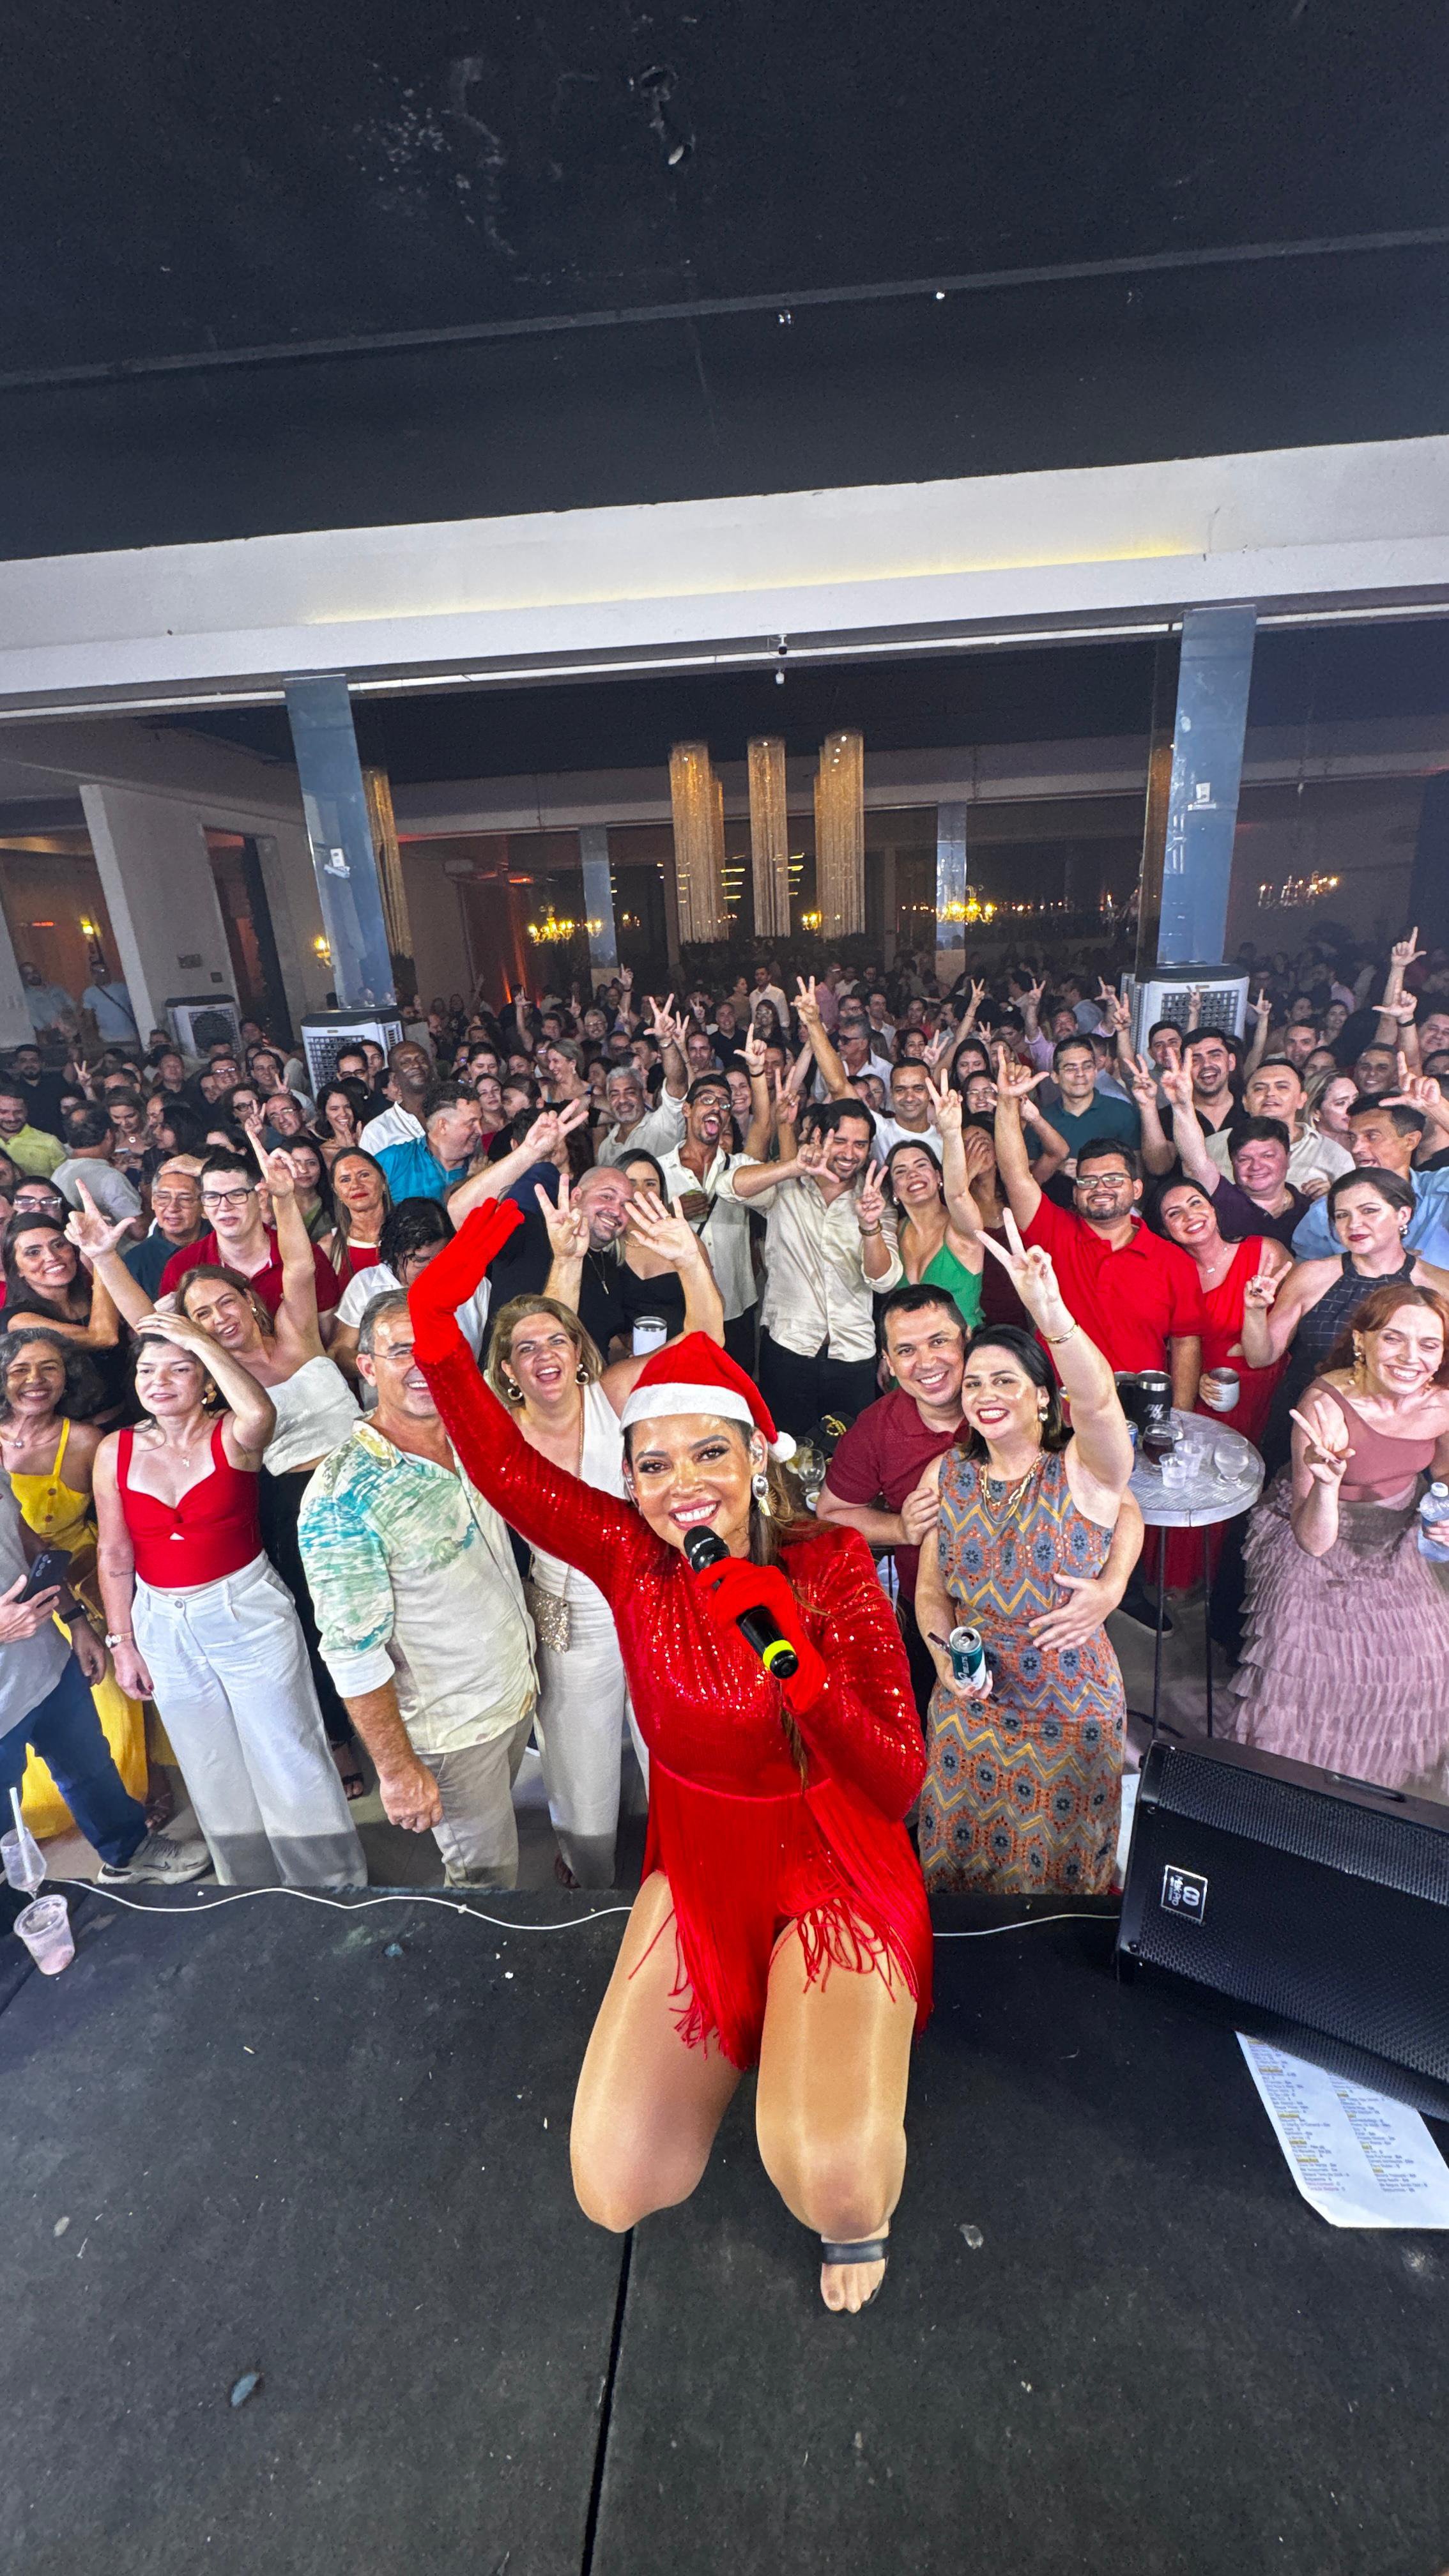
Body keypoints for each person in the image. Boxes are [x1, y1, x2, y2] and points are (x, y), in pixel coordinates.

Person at [407, 1201, 932, 2315]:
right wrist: (436, 1334)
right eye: (653, 1463)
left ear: (755, 1457)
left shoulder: (830, 1563)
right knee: (615, 2182)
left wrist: (797, 1665)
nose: (681, 1483)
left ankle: (848, 2170)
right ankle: (778, 2029)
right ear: (631, 1477)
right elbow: (502, 1467)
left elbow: (896, 1779)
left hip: (831, 1865)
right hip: (701, 1863)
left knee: (831, 2176)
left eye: (708, 1453)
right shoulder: (629, 1557)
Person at [75, 1151, 366, 1798]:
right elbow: (144, 1321)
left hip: (365, 1485)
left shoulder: (296, 1333)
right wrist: (104, 1257)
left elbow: (297, 1267)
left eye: (225, 1302)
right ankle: (340, 1740)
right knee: (320, 1628)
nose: (218, 1319)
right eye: (200, 1315)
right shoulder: (215, 1385)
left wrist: (282, 1197)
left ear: (248, 1299)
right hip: (291, 1510)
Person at [92, 1312, 364, 1887]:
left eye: (179, 1369)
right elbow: (114, 1553)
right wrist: (123, 1642)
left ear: (207, 1381)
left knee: (286, 1749)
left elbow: (262, 1413)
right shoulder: (115, 1450)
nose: (159, 1382)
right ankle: (247, 1886)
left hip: (246, 1610)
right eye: (147, 1370)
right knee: (207, 1760)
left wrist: (198, 1337)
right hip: (161, 1620)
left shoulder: (234, 1434)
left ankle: (331, 1885)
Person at [914, 1217, 1136, 1892]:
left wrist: (1051, 1313)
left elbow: (1099, 1401)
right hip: (971, 1709)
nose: (986, 1395)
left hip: (1069, 1714)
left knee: (1059, 1888)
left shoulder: (1085, 1471)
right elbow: (932, 1590)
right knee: (959, 1880)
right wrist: (944, 1660)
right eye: (975, 1383)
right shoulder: (949, 1475)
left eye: (1006, 1381)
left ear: (1043, 1396)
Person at [298, 1292, 537, 1888]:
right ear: (367, 1366)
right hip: (453, 1730)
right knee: (486, 1884)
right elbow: (353, 1653)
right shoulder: (342, 1494)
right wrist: (398, 1770)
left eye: (433, 1347)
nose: (422, 1363)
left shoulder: (469, 1431)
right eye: (401, 1350)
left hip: (515, 1690)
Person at [1229, 1283, 1449, 1793]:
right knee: (1304, 1671)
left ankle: (1367, 1781)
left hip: (1396, 1536)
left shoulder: (1442, 1404)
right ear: (1361, 1342)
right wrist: (1328, 1485)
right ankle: (1293, 1789)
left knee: (1427, 1660)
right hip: (1315, 1531)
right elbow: (1313, 1541)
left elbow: (1442, 1473)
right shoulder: (1323, 1405)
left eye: (1428, 1345)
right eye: (1393, 1338)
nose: (1410, 1358)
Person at [482, 1293, 648, 1885]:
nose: (544, 1355)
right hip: (563, 1604)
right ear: (507, 1370)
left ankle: (682, 1861)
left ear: (578, 1350)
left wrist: (688, 1260)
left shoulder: (613, 1394)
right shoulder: (499, 1430)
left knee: (668, 1739)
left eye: (556, 1340)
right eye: (526, 1348)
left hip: (644, 1593)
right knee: (579, 1754)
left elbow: (706, 1338)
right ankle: (589, 1869)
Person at [0, 1324, 159, 1841]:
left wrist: (80, 1616)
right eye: (20, 1370)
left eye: (49, 1368)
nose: (35, 1380)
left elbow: (33, 1535)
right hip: (10, 1627)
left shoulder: (84, 1441)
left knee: (94, 1736)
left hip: (68, 1589)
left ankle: (132, 1827)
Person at [992, 1058, 1206, 1406]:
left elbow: (1186, 1343)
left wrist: (1179, 1417)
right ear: (1076, 1191)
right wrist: (1006, 1104)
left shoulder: (1173, 1261)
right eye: (1088, 1181)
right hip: (1060, 1407)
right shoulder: (1053, 1231)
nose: (1100, 1188)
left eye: (1114, 1179)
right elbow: (1016, 1175)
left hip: (1139, 1409)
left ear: (1137, 1189)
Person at [1239, 1167, 1449, 1471]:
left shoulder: (1439, 1286)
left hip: (1397, 1436)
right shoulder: (1312, 1275)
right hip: (1308, 1424)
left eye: (1369, 1211)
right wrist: (1255, 1311)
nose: (1354, 1224)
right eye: (1342, 1215)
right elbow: (1261, 1357)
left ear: (1403, 1214)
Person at [719, 1101, 902, 1436]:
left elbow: (883, 1281)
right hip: (788, 1349)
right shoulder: (787, 1186)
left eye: (860, 1144)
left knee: (851, 1455)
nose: (850, 1153)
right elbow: (728, 1187)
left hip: (853, 1354)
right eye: (841, 1141)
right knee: (786, 1451)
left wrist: (870, 1226)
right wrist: (792, 1167)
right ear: (818, 1137)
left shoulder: (874, 1197)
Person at [655, 1052, 770, 1371]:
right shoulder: (660, 1171)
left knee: (737, 1389)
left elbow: (764, 1126)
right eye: (707, 1099)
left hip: (736, 1306)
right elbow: (633, 1235)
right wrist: (670, 1212)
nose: (717, 1108)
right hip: (681, 1305)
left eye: (724, 1103)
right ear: (687, 1109)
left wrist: (758, 1074)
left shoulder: (740, 1167)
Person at [158, 1150, 343, 1325]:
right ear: (203, 1207)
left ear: (261, 1198)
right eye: (213, 1197)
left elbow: (328, 1337)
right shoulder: (181, 1267)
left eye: (236, 1195)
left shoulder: (308, 1256)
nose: (224, 1206)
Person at [1288, 1099, 1449, 1266]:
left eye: (1372, 1137)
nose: (1356, 1149)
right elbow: (1309, 1275)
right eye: (1352, 1138)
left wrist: (1437, 1107)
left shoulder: (1440, 1190)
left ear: (1410, 1141)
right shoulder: (1325, 1212)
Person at [879, 1082, 984, 1332]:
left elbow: (958, 1194)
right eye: (901, 1171)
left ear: (939, 1176)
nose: (912, 1175)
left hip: (963, 1351)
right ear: (894, 1190)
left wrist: (951, 1133)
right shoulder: (896, 1231)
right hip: (912, 1352)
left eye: (921, 1165)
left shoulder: (960, 1227)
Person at [50, 1106, 144, 1233]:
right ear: (109, 1135)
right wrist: (147, 1195)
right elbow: (139, 1232)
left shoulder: (58, 1173)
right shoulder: (110, 1177)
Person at [316, 1146, 391, 1285]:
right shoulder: (328, 1247)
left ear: (383, 1179)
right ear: (336, 1191)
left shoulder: (411, 1233)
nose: (356, 1185)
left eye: (364, 1175)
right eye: (345, 1180)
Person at [0, 1080, 63, 1178]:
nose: (12, 1118)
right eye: (4, 1112)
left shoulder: (50, 1143)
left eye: (18, 1112)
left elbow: (66, 1181)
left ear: (26, 1111)